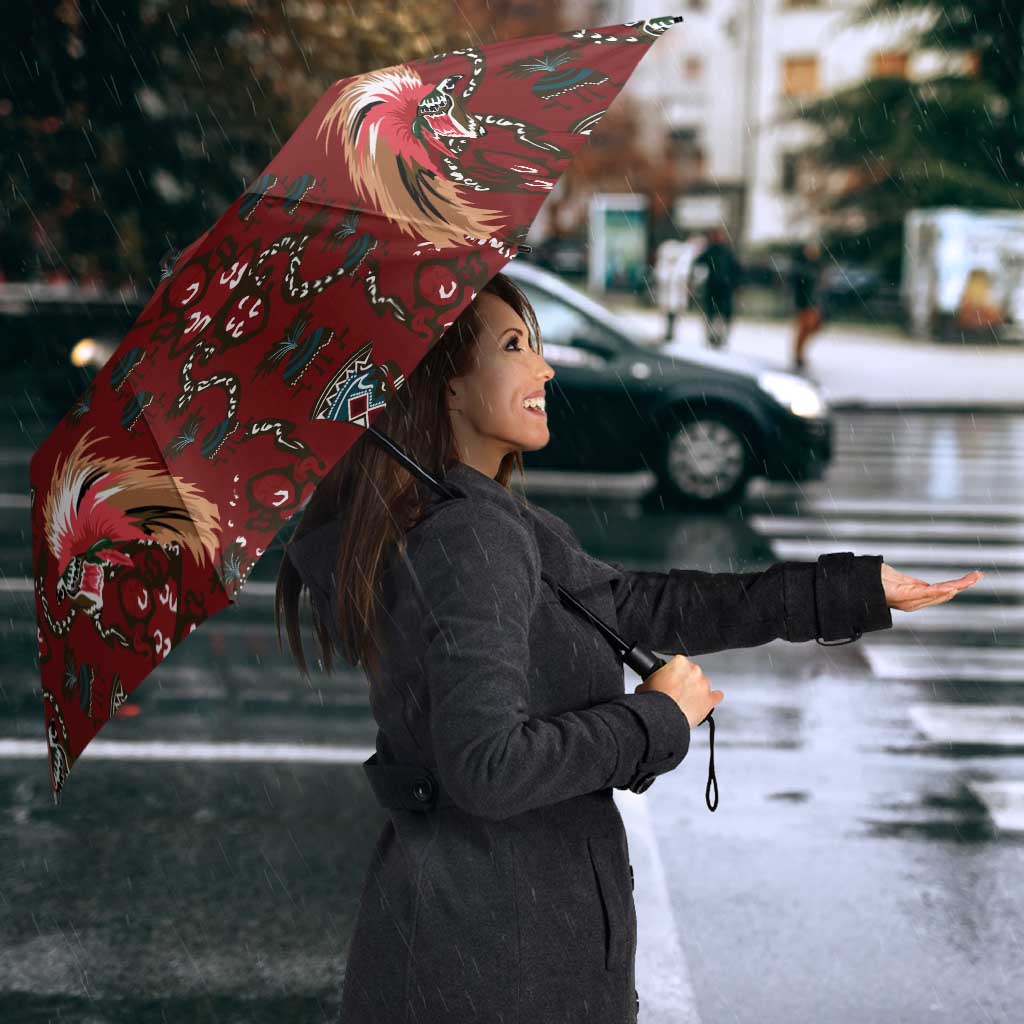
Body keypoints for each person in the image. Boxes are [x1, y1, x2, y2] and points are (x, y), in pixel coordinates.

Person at [276, 271, 969, 1024]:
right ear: (445, 386)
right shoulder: (469, 536)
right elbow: (487, 768)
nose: (544, 368)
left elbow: (638, 605)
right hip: (501, 962)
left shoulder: (474, 517)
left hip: (478, 942)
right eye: (514, 346)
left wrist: (850, 591)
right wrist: (657, 719)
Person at [692, 226, 742, 349]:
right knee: (713, 314)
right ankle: (713, 337)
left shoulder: (725, 252)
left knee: (720, 315)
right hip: (715, 288)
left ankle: (719, 337)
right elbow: (698, 264)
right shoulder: (712, 251)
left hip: (723, 288)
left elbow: (736, 270)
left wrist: (735, 284)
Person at [790, 239, 826, 371]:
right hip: (805, 303)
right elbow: (799, 286)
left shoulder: (817, 266)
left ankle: (800, 354)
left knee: (812, 328)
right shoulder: (802, 267)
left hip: (814, 303)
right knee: (804, 329)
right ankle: (798, 355)